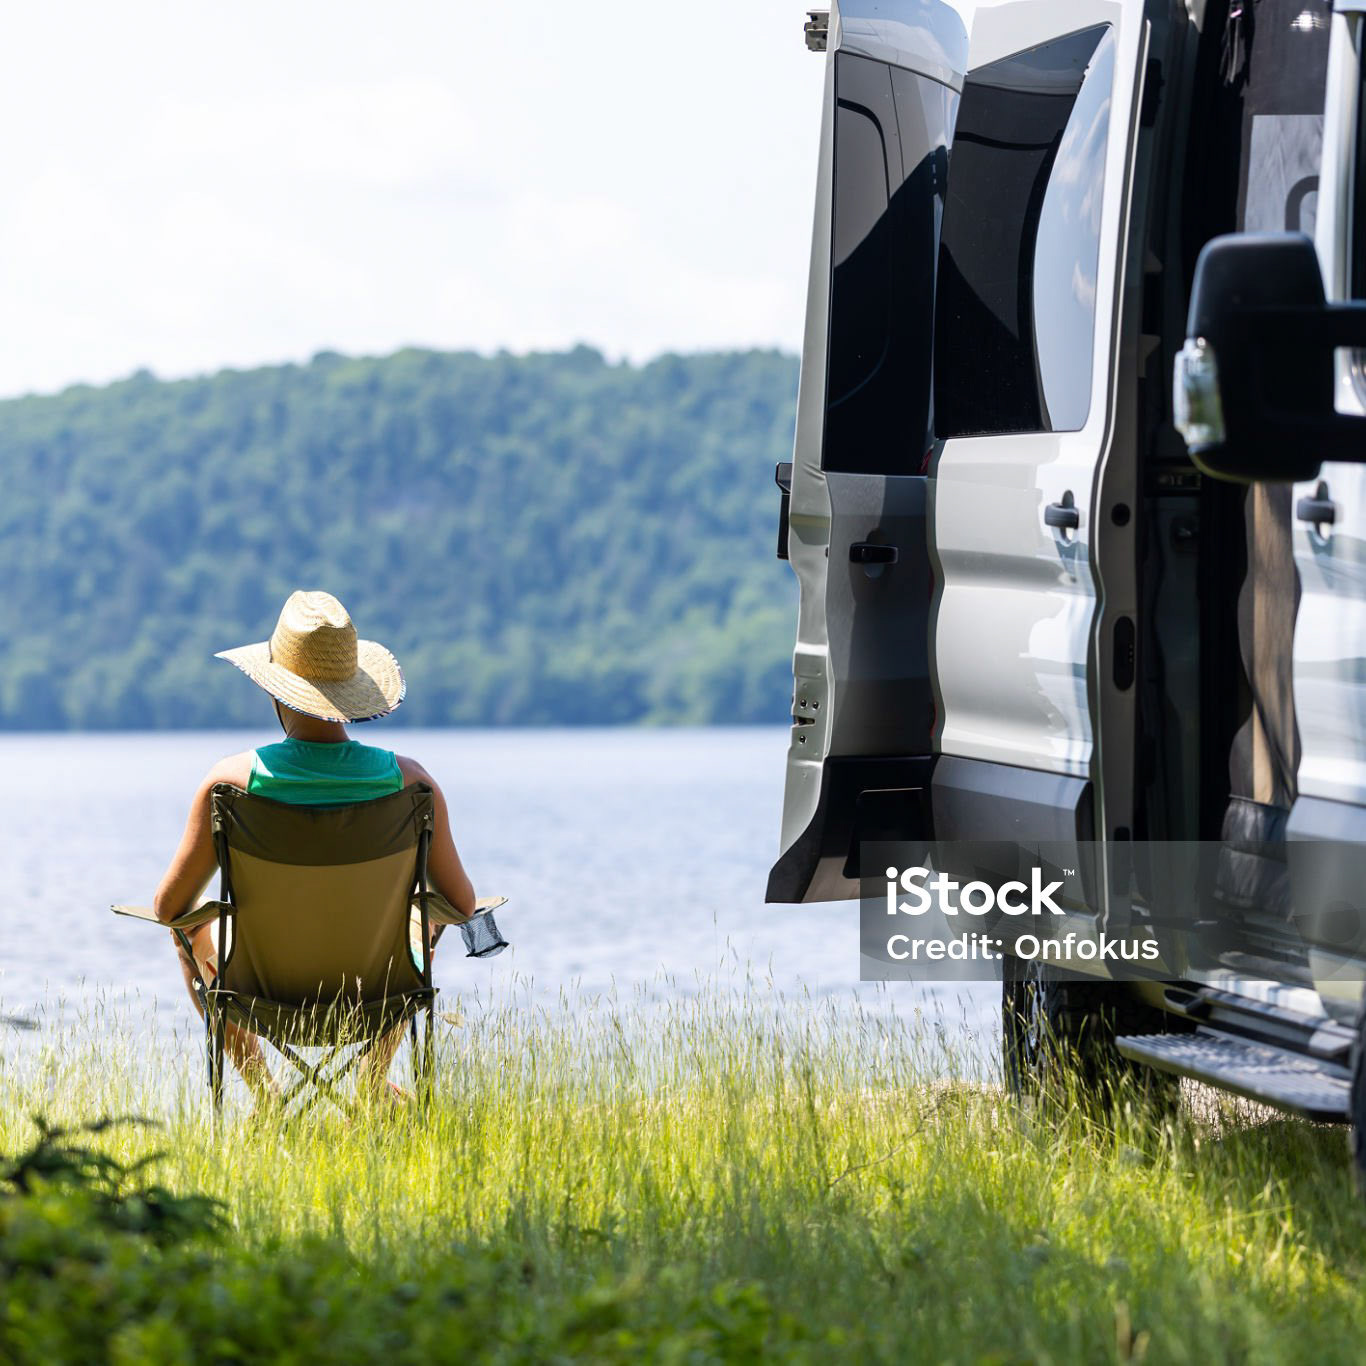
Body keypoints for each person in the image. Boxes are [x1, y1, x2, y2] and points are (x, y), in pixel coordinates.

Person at [152, 589, 476, 1109]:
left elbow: (169, 910)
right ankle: (372, 1084)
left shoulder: (228, 785)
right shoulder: (412, 785)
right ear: (353, 692)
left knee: (188, 931)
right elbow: (461, 906)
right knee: (427, 917)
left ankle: (267, 1097)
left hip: (259, 997)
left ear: (275, 690)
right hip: (377, 998)